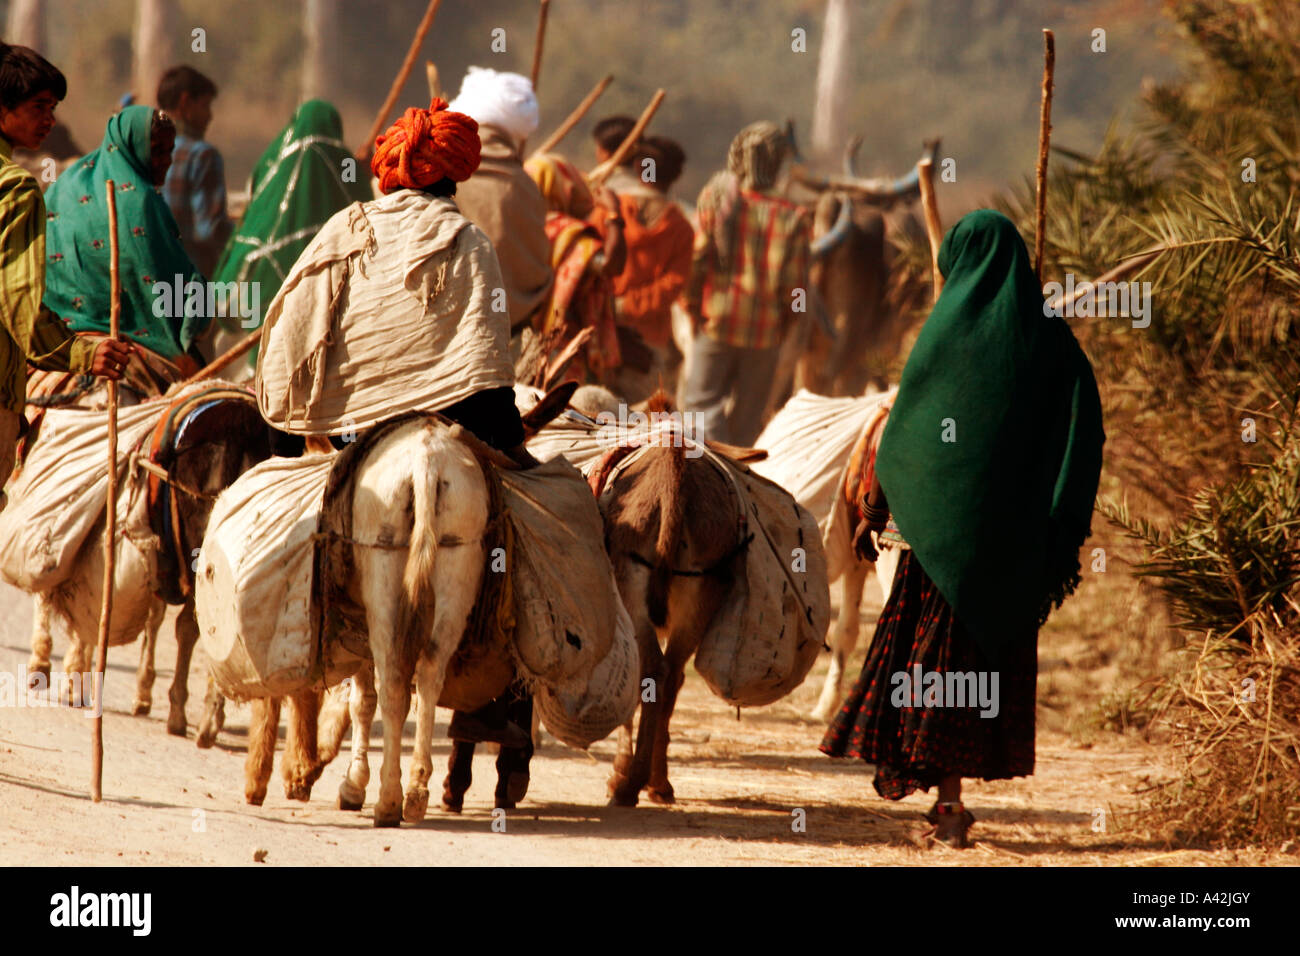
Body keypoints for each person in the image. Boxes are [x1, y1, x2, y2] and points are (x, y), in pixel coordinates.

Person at [820, 210, 1105, 848]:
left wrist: (873, 513)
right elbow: (1082, 434)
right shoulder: (1052, 340)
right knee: (974, 671)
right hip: (1008, 555)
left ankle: (949, 811)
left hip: (936, 550)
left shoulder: (943, 335)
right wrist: (1054, 528)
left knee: (937, 671)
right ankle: (949, 807)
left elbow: (904, 436)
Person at [0, 42, 131, 510]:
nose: (50, 120)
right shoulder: (14, 188)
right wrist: (80, 353)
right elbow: (18, 305)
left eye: (52, 109)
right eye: (39, 107)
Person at [43, 104, 209, 388]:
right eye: (156, 150)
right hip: (128, 341)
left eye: (170, 151)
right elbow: (173, 287)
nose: (165, 161)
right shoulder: (142, 200)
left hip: (54, 339)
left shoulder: (64, 183)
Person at [209, 99, 371, 372]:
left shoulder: (277, 157)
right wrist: (359, 168)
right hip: (330, 293)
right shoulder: (340, 158)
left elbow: (253, 201)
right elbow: (366, 205)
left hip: (260, 288)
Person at [682, 121, 811, 445]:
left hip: (716, 320)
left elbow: (697, 259)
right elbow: (797, 287)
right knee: (748, 416)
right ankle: (735, 475)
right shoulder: (792, 215)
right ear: (778, 161)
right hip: (765, 331)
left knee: (700, 407)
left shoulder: (714, 198)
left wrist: (692, 306)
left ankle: (712, 463)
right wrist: (787, 323)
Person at [448, 67, 552, 334]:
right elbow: (534, 268)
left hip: (438, 320)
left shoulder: (430, 169)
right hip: (506, 329)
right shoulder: (525, 186)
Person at [605, 135, 694, 402]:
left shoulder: (609, 211)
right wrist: (632, 306)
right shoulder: (681, 227)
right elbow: (672, 286)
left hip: (603, 335)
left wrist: (614, 306)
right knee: (641, 428)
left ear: (638, 169)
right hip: (648, 345)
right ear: (675, 176)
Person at [524, 152, 627, 384]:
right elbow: (611, 265)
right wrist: (613, 214)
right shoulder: (568, 233)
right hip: (566, 350)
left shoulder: (520, 227)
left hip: (524, 347)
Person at [157, 65, 232, 277]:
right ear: (185, 102)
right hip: (188, 283)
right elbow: (209, 230)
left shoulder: (141, 150)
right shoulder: (202, 155)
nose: (210, 116)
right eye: (205, 106)